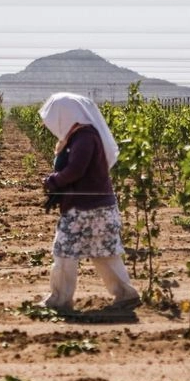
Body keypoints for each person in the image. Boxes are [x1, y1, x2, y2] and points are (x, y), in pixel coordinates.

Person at [38, 92, 141, 313]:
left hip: (85, 209)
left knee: (65, 250)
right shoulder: (81, 135)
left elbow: (76, 170)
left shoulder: (84, 138)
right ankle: (126, 295)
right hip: (97, 208)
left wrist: (53, 181)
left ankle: (60, 300)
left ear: (66, 115)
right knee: (104, 253)